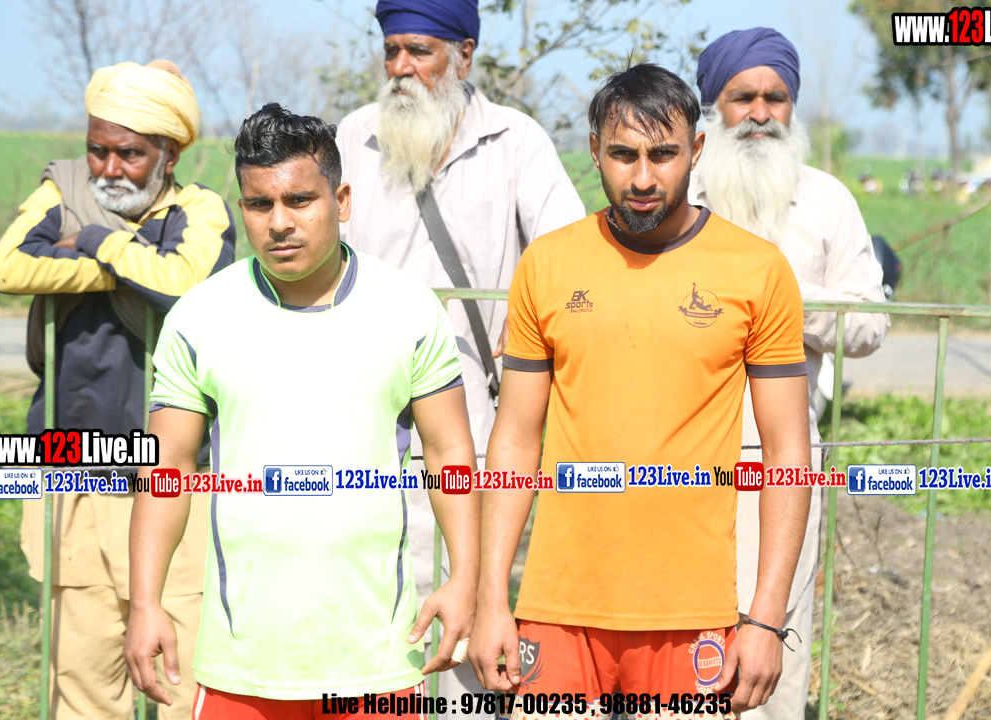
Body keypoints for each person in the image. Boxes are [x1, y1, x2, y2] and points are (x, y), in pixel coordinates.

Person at [469, 64, 812, 718]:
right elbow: (514, 439)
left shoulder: (758, 270)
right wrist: (491, 602)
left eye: (664, 154)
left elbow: (788, 454)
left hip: (694, 613)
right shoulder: (547, 264)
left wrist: (767, 620)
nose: (645, 177)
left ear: (697, 150)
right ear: (594, 150)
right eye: (624, 155)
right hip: (557, 608)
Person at [124, 103, 480, 720]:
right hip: (242, 665)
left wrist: (464, 578)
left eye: (300, 200)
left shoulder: (409, 309)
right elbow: (168, 469)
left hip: (375, 662)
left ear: (341, 201)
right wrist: (144, 602)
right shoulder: (200, 317)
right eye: (259, 204)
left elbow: (450, 454)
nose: (279, 222)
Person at [335, 0, 584, 707]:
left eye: (419, 51)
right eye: (391, 51)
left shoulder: (516, 140)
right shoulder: (354, 136)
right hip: (368, 428)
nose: (401, 68)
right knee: (379, 617)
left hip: (476, 430)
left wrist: (535, 312)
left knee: (472, 618)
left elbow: (568, 253)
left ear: (464, 54)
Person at [0, 60, 235, 720]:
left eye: (130, 153)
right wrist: (127, 270)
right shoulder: (60, 190)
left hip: (173, 479)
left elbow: (186, 283)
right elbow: (6, 267)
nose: (108, 168)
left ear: (169, 153)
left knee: (186, 682)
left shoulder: (200, 209)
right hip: (74, 471)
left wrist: (94, 240)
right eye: (98, 149)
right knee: (82, 678)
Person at [691, 28, 891, 719]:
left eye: (775, 98)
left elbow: (871, 323)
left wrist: (784, 304)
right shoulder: (680, 191)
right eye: (741, 96)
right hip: (673, 458)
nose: (759, 113)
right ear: (713, 107)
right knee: (679, 645)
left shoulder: (827, 200)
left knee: (772, 635)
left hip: (780, 462)